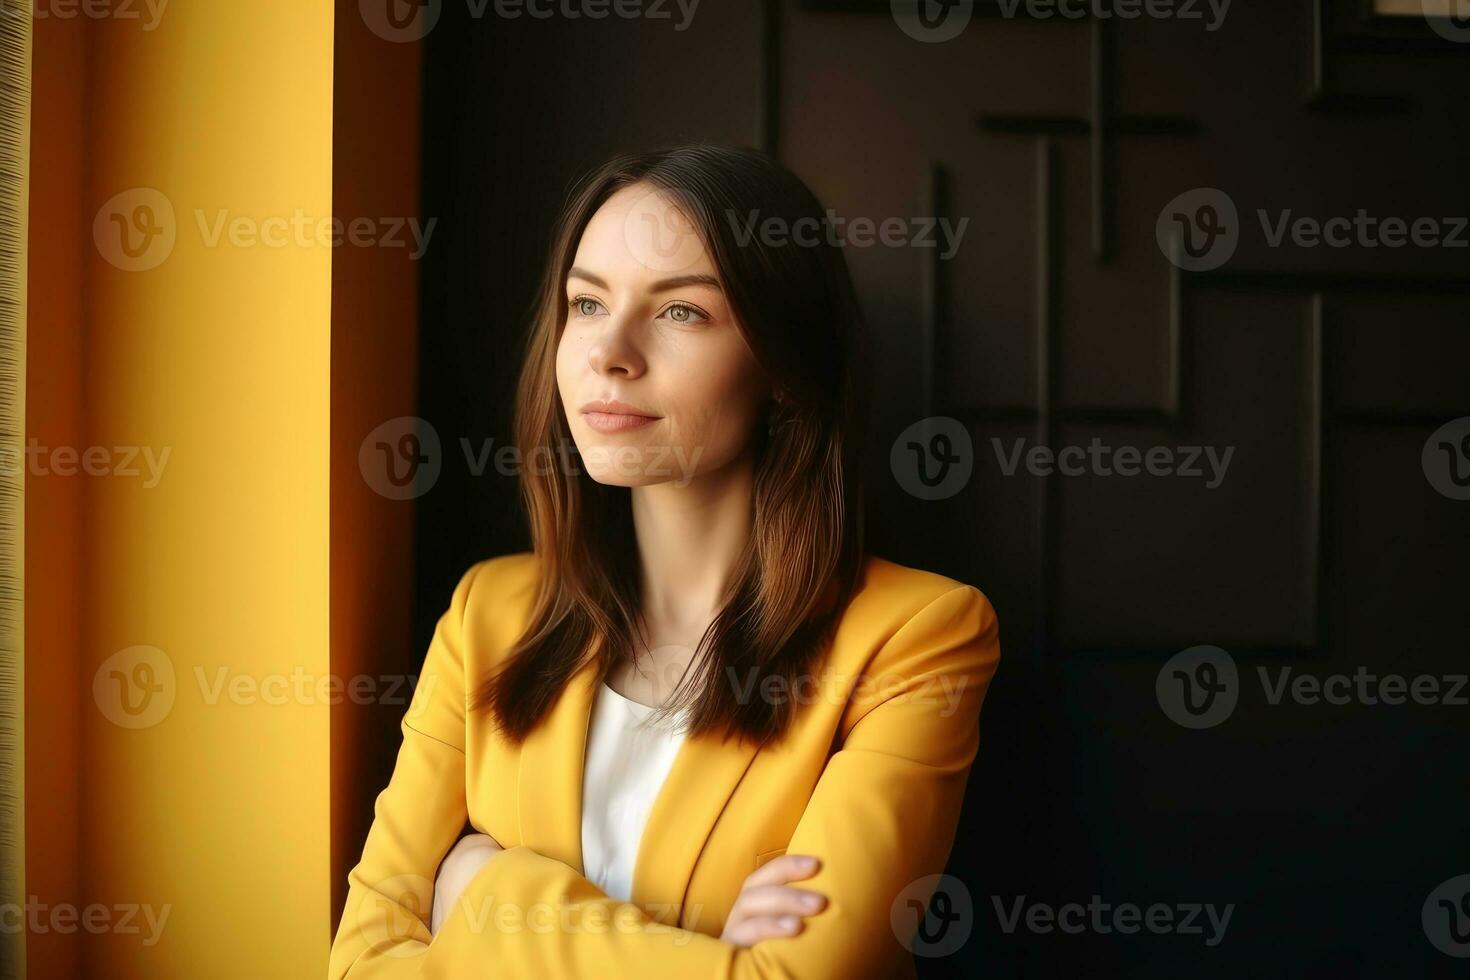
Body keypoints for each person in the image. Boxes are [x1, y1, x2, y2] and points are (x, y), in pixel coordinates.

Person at [327, 143, 1001, 978]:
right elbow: (361, 965)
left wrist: (482, 889)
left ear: (784, 370)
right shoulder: (485, 615)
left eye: (681, 311)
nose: (610, 353)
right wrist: (707, 952)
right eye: (586, 303)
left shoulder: (917, 636)